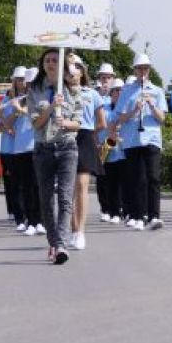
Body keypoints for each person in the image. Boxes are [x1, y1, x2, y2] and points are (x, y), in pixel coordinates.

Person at [28, 48, 83, 264]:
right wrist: (52, 107)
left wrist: (66, 123)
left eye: (55, 60)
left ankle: (61, 244)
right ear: (43, 65)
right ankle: (53, 241)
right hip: (44, 148)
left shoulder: (74, 90)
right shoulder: (34, 89)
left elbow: (78, 122)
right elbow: (35, 123)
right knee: (46, 199)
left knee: (65, 197)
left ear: (61, 65)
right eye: (47, 60)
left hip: (68, 147)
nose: (50, 63)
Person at [116, 53, 168, 230]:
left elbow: (162, 119)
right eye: (139, 68)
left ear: (149, 70)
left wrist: (151, 105)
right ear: (135, 70)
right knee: (137, 179)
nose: (142, 72)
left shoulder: (158, 91)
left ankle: (154, 216)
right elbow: (120, 118)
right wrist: (134, 110)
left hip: (152, 138)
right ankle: (138, 216)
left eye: (145, 68)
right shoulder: (127, 90)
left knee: (153, 177)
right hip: (132, 139)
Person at [70, 55, 106, 250]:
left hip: (84, 136)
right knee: (67, 187)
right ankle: (72, 228)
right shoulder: (59, 92)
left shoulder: (92, 94)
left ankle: (81, 231)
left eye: (77, 67)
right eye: (69, 67)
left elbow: (102, 122)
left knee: (82, 184)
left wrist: (88, 131)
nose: (73, 71)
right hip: (65, 137)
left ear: (82, 71)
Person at [4, 67, 43, 236]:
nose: (31, 85)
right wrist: (13, 110)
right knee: (26, 187)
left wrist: (20, 110)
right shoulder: (20, 99)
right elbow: (7, 125)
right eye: (29, 83)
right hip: (20, 148)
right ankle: (30, 222)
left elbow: (39, 117)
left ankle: (40, 220)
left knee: (38, 186)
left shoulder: (42, 99)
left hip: (38, 145)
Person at [101, 78, 127, 223]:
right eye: (116, 90)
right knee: (110, 183)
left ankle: (125, 210)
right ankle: (113, 211)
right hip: (108, 149)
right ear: (111, 93)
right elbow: (100, 127)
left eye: (121, 90)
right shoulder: (104, 109)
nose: (119, 92)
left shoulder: (127, 108)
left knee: (125, 183)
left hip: (124, 151)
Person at [94, 63, 116, 221]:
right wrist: (94, 141)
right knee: (102, 178)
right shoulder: (95, 97)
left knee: (117, 176)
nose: (105, 80)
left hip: (116, 142)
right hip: (100, 142)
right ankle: (105, 209)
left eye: (108, 77)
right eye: (103, 77)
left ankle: (117, 208)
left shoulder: (118, 96)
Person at [0, 74, 16, 223]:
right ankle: (12, 210)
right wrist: (5, 126)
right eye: (16, 80)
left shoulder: (29, 98)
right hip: (7, 149)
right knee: (10, 182)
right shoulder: (5, 101)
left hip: (24, 148)